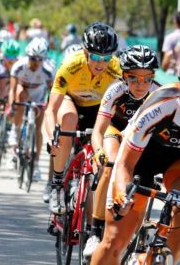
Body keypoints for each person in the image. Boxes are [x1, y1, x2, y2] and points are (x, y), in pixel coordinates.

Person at [91, 49, 180, 265]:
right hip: (141, 158)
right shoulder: (159, 106)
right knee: (113, 240)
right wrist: (122, 193)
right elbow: (124, 163)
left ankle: (153, 261)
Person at [83, 45, 161, 257]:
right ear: (124, 75)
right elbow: (98, 130)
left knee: (144, 181)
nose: (141, 84)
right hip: (115, 130)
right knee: (110, 164)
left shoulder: (158, 94)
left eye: (147, 78)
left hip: (140, 140)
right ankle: (95, 232)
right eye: (134, 78)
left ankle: (134, 236)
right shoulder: (115, 90)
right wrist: (99, 151)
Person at [45, 22, 122, 215]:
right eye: (95, 56)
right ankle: (56, 184)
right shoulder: (71, 65)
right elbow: (50, 110)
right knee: (69, 118)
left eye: (106, 58)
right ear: (86, 52)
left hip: (96, 106)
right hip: (70, 100)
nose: (100, 63)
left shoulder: (117, 70)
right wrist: (49, 136)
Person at [8, 37, 55, 182]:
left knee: (38, 128)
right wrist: (11, 106)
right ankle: (15, 133)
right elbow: (12, 89)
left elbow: (52, 93)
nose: (36, 62)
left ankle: (35, 165)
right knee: (20, 96)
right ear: (28, 56)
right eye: (33, 58)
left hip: (38, 94)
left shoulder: (48, 70)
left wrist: (49, 109)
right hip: (24, 89)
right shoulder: (19, 66)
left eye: (40, 59)